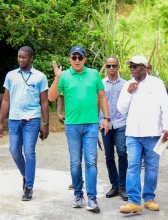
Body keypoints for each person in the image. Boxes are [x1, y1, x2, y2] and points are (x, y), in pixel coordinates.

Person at [48, 46, 109, 213]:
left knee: (90, 162)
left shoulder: (94, 74)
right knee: (75, 162)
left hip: (91, 125)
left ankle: (92, 198)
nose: (76, 60)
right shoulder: (64, 76)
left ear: (85, 59)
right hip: (72, 126)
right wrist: (56, 78)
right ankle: (78, 194)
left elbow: (102, 96)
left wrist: (106, 118)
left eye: (79, 57)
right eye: (73, 57)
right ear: (69, 59)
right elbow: (51, 97)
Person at [117, 55, 168, 214]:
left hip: (153, 134)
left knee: (152, 167)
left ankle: (149, 198)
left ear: (144, 67)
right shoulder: (128, 85)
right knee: (133, 165)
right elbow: (121, 110)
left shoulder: (156, 83)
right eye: (130, 67)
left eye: (135, 66)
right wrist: (128, 93)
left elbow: (166, 107)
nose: (132, 69)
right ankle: (134, 201)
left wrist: (166, 127)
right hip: (133, 133)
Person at [0, 46, 49, 201]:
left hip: (32, 119)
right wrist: (0, 122)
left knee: (29, 151)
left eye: (24, 57)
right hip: (14, 119)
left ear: (31, 58)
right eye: (19, 57)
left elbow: (44, 102)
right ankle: (26, 175)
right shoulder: (11, 76)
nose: (21, 60)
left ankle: (29, 187)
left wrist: (45, 123)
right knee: (13, 150)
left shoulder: (40, 77)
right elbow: (6, 100)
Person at [99, 56, 128, 201]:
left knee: (122, 153)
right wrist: (99, 121)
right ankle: (114, 185)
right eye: (109, 66)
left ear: (118, 67)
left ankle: (122, 186)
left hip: (121, 123)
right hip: (105, 125)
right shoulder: (101, 84)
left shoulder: (125, 84)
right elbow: (97, 104)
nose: (111, 68)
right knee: (109, 155)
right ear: (106, 67)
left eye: (114, 66)